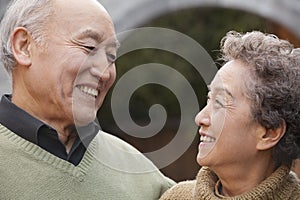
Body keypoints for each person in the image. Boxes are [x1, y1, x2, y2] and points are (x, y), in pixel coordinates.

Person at [0, 0, 174, 199]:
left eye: (111, 56)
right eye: (89, 47)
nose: (104, 73)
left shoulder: (141, 174)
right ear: (24, 46)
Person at [160, 30, 300, 199]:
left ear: (269, 132)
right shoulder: (176, 197)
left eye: (220, 103)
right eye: (209, 99)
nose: (200, 118)